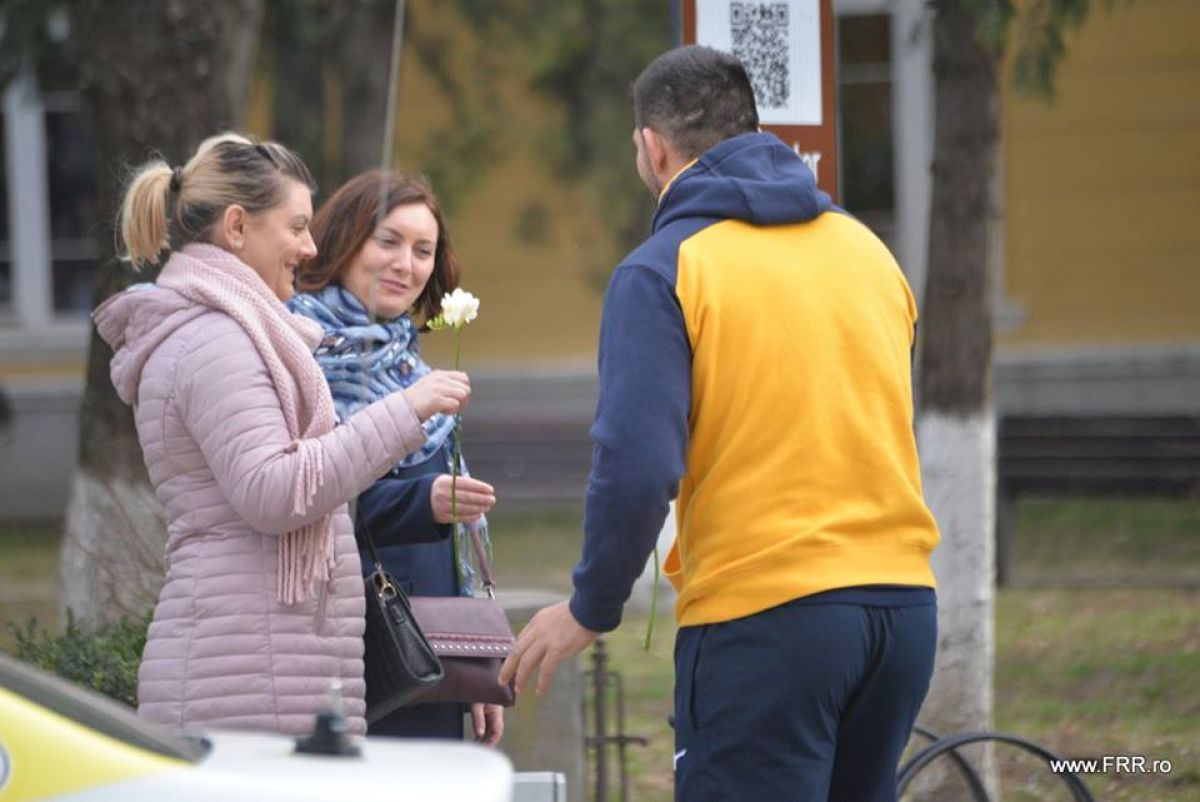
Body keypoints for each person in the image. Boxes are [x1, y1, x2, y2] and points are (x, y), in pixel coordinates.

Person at [500, 46, 940, 801]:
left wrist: (591, 606)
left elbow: (638, 463)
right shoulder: (870, 253)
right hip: (902, 611)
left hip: (767, 620)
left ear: (653, 148)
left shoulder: (662, 269)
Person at [94, 133, 470, 737]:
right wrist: (405, 411)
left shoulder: (238, 332)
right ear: (237, 227)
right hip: (243, 671)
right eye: (296, 227)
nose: (310, 246)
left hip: (262, 662)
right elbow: (275, 490)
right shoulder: (217, 340)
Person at [290, 171, 502, 745]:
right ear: (344, 241)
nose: (405, 264)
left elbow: (457, 547)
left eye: (423, 250)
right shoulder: (295, 355)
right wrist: (421, 502)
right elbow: (298, 496)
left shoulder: (416, 372)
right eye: (388, 241)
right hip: (338, 652)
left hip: (429, 659)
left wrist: (475, 660)